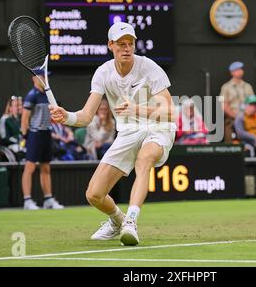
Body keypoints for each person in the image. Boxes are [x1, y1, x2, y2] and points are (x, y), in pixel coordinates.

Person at [49, 21, 176, 246]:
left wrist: (135, 109)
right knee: (94, 195)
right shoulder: (103, 73)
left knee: (144, 158)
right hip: (128, 132)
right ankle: (118, 220)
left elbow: (169, 113)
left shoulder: (149, 67)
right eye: (121, 44)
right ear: (110, 45)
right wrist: (66, 116)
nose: (126, 48)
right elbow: (87, 116)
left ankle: (131, 222)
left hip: (158, 128)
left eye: (130, 43)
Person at [21, 69, 64, 210]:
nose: (45, 79)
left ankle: (48, 199)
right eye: (42, 76)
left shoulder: (47, 95)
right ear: (34, 78)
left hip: (46, 134)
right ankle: (27, 200)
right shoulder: (31, 96)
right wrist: (25, 137)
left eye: (46, 76)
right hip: (34, 135)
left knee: (46, 168)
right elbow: (24, 119)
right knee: (30, 167)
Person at [219, 61, 255, 143]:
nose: (240, 71)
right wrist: (236, 117)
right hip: (232, 118)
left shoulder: (248, 86)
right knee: (231, 137)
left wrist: (248, 115)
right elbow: (223, 106)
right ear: (232, 72)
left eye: (241, 69)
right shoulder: (225, 87)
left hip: (248, 118)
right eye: (237, 69)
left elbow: (253, 103)